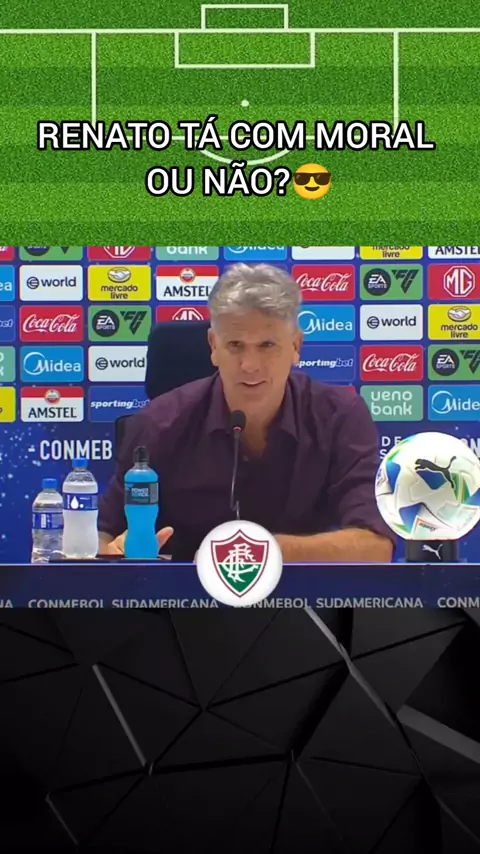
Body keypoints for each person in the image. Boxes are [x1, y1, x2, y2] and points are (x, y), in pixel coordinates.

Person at [98, 263, 396, 562]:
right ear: (214, 346)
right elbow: (101, 537)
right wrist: (111, 553)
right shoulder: (159, 423)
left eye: (267, 345)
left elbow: (376, 545)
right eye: (235, 345)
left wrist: (261, 550)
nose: (250, 365)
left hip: (302, 591)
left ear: (296, 346)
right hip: (184, 591)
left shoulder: (339, 417)